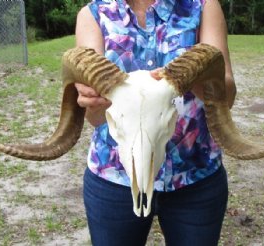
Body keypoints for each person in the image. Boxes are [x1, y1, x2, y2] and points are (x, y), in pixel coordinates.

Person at [74, 0, 236, 245]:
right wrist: (91, 99)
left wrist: (193, 72)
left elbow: (227, 97)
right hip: (115, 177)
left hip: (194, 176)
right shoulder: (93, 15)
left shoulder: (203, 6)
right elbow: (95, 118)